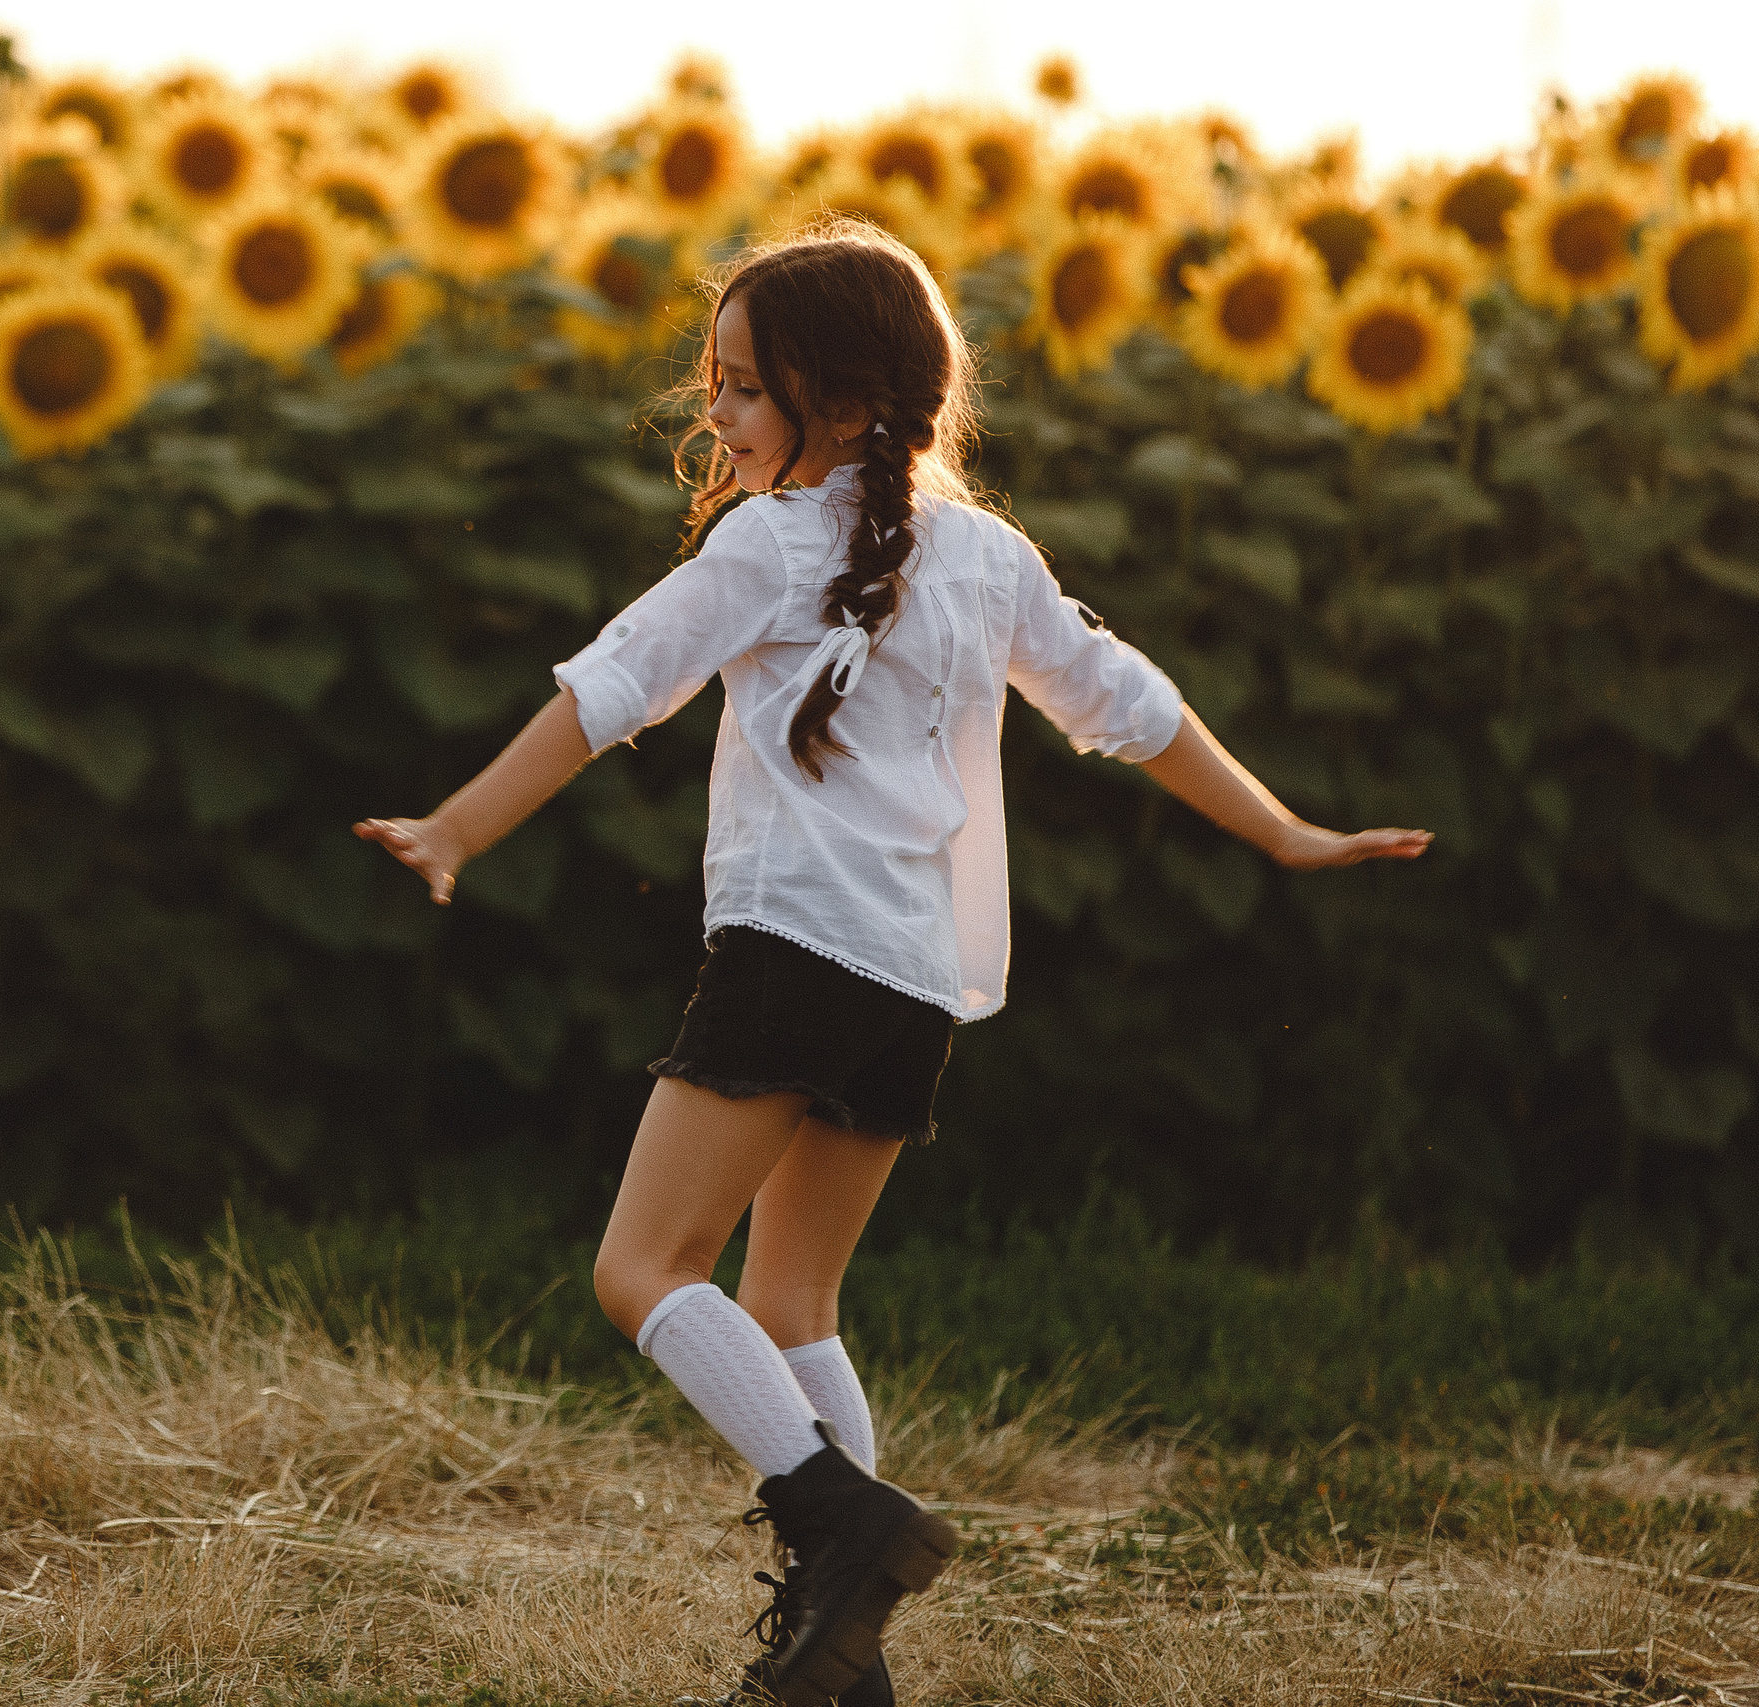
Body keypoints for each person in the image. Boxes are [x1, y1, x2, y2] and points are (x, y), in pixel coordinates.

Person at [354, 222, 1431, 1707]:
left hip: (794, 949)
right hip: (914, 987)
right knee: (794, 1310)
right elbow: (1124, 703)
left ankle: (839, 1526)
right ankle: (840, 1656)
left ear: (843, 397)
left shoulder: (776, 543)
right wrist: (1285, 831)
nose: (713, 415)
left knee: (640, 1270)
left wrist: (454, 824)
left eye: (740, 387)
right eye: (713, 382)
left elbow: (612, 685)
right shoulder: (988, 556)